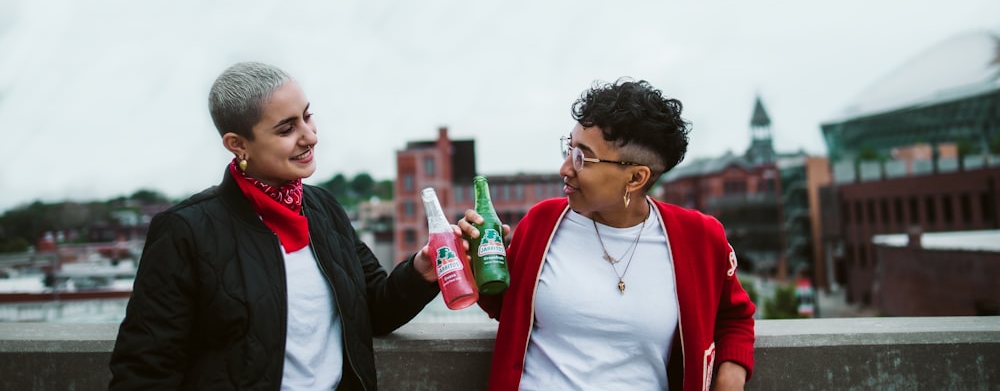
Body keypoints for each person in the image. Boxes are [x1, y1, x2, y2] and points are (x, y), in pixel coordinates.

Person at [110, 62, 442, 390]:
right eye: (286, 129)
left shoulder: (324, 208)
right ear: (238, 144)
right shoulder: (185, 231)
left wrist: (421, 271)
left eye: (307, 116)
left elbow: (373, 310)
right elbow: (145, 371)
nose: (310, 136)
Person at [459, 79, 756, 391]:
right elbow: (508, 307)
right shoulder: (541, 223)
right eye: (568, 148)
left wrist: (731, 375)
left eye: (581, 158)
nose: (564, 168)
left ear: (636, 177)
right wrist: (477, 264)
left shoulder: (699, 239)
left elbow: (735, 317)